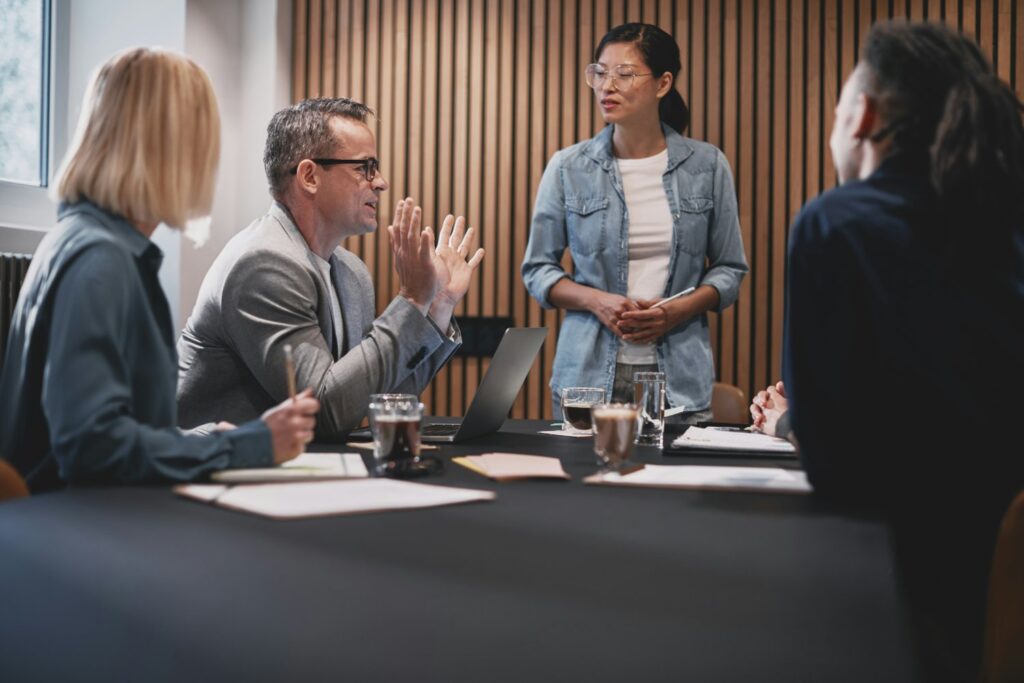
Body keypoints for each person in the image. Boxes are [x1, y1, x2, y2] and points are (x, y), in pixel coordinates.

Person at [754, 22, 1024, 682]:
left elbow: (837, 463)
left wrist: (787, 422)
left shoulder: (835, 223)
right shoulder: (1002, 221)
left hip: (901, 591)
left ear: (863, 114)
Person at [0, 48, 319, 492]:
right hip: (85, 526)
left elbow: (111, 429)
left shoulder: (85, 242)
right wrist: (247, 445)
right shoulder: (102, 262)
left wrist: (210, 439)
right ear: (171, 146)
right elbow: (93, 448)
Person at [176, 98, 484, 438]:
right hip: (211, 474)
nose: (380, 182)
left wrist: (437, 306)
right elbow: (324, 412)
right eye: (365, 167)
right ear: (309, 176)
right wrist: (411, 300)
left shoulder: (352, 272)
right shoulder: (263, 265)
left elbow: (371, 398)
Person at [521, 23, 748, 421]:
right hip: (587, 376)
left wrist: (676, 311)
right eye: (600, 72)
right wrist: (597, 301)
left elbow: (730, 269)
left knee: (673, 484)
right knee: (584, 483)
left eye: (624, 74)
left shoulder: (707, 165)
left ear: (663, 84)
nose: (607, 86)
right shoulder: (568, 167)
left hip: (678, 378)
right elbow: (538, 270)